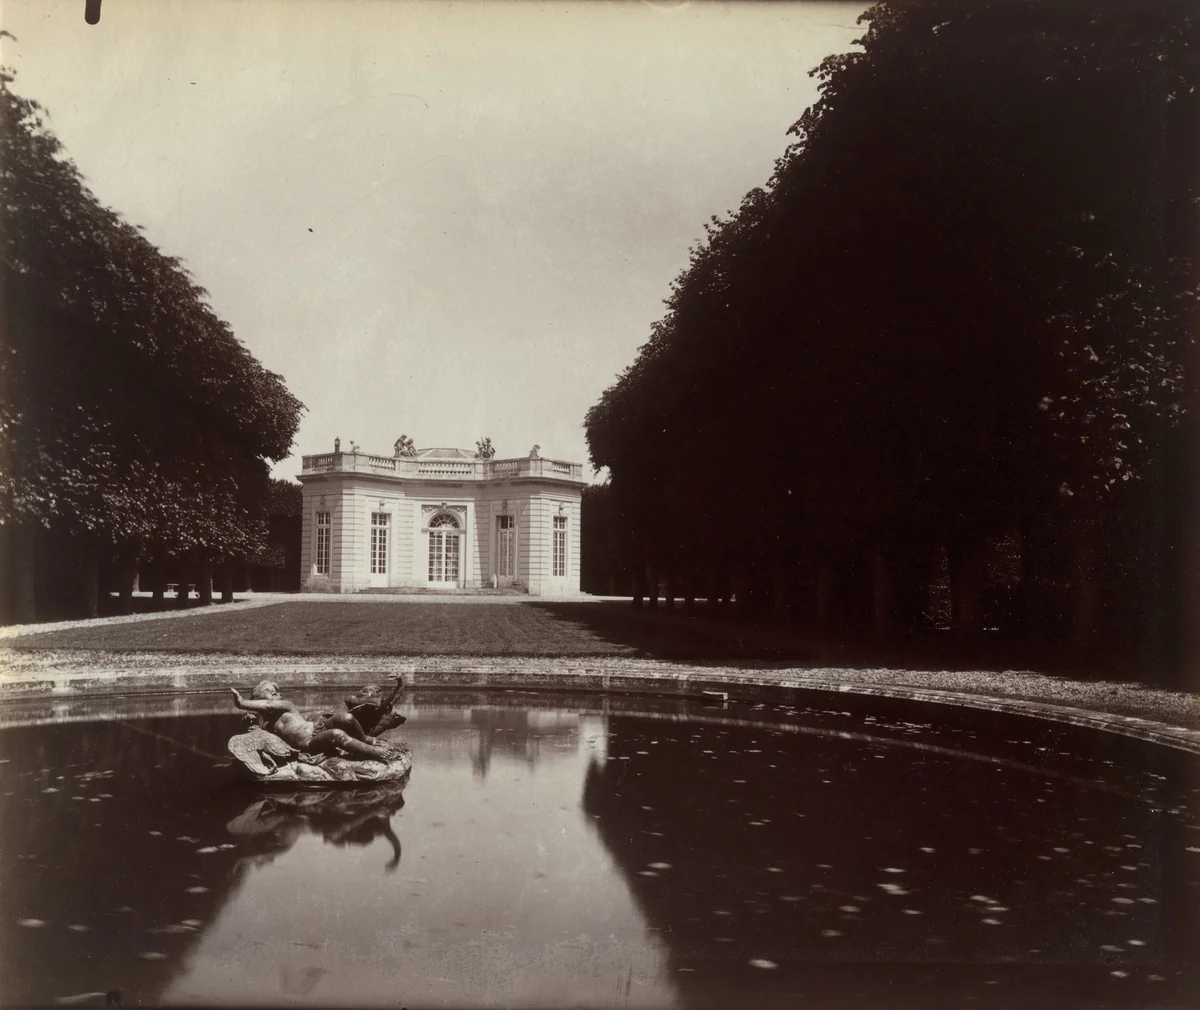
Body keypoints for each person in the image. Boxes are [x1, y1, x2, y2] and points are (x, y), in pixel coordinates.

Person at [230, 680, 393, 762]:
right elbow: (259, 732)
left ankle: (365, 739)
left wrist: (242, 704)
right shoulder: (263, 724)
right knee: (337, 734)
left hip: (317, 727)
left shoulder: (287, 706)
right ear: (257, 699)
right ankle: (374, 753)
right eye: (269, 691)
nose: (274, 694)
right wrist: (250, 721)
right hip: (310, 743)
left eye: (275, 692)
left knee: (347, 718)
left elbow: (268, 705)